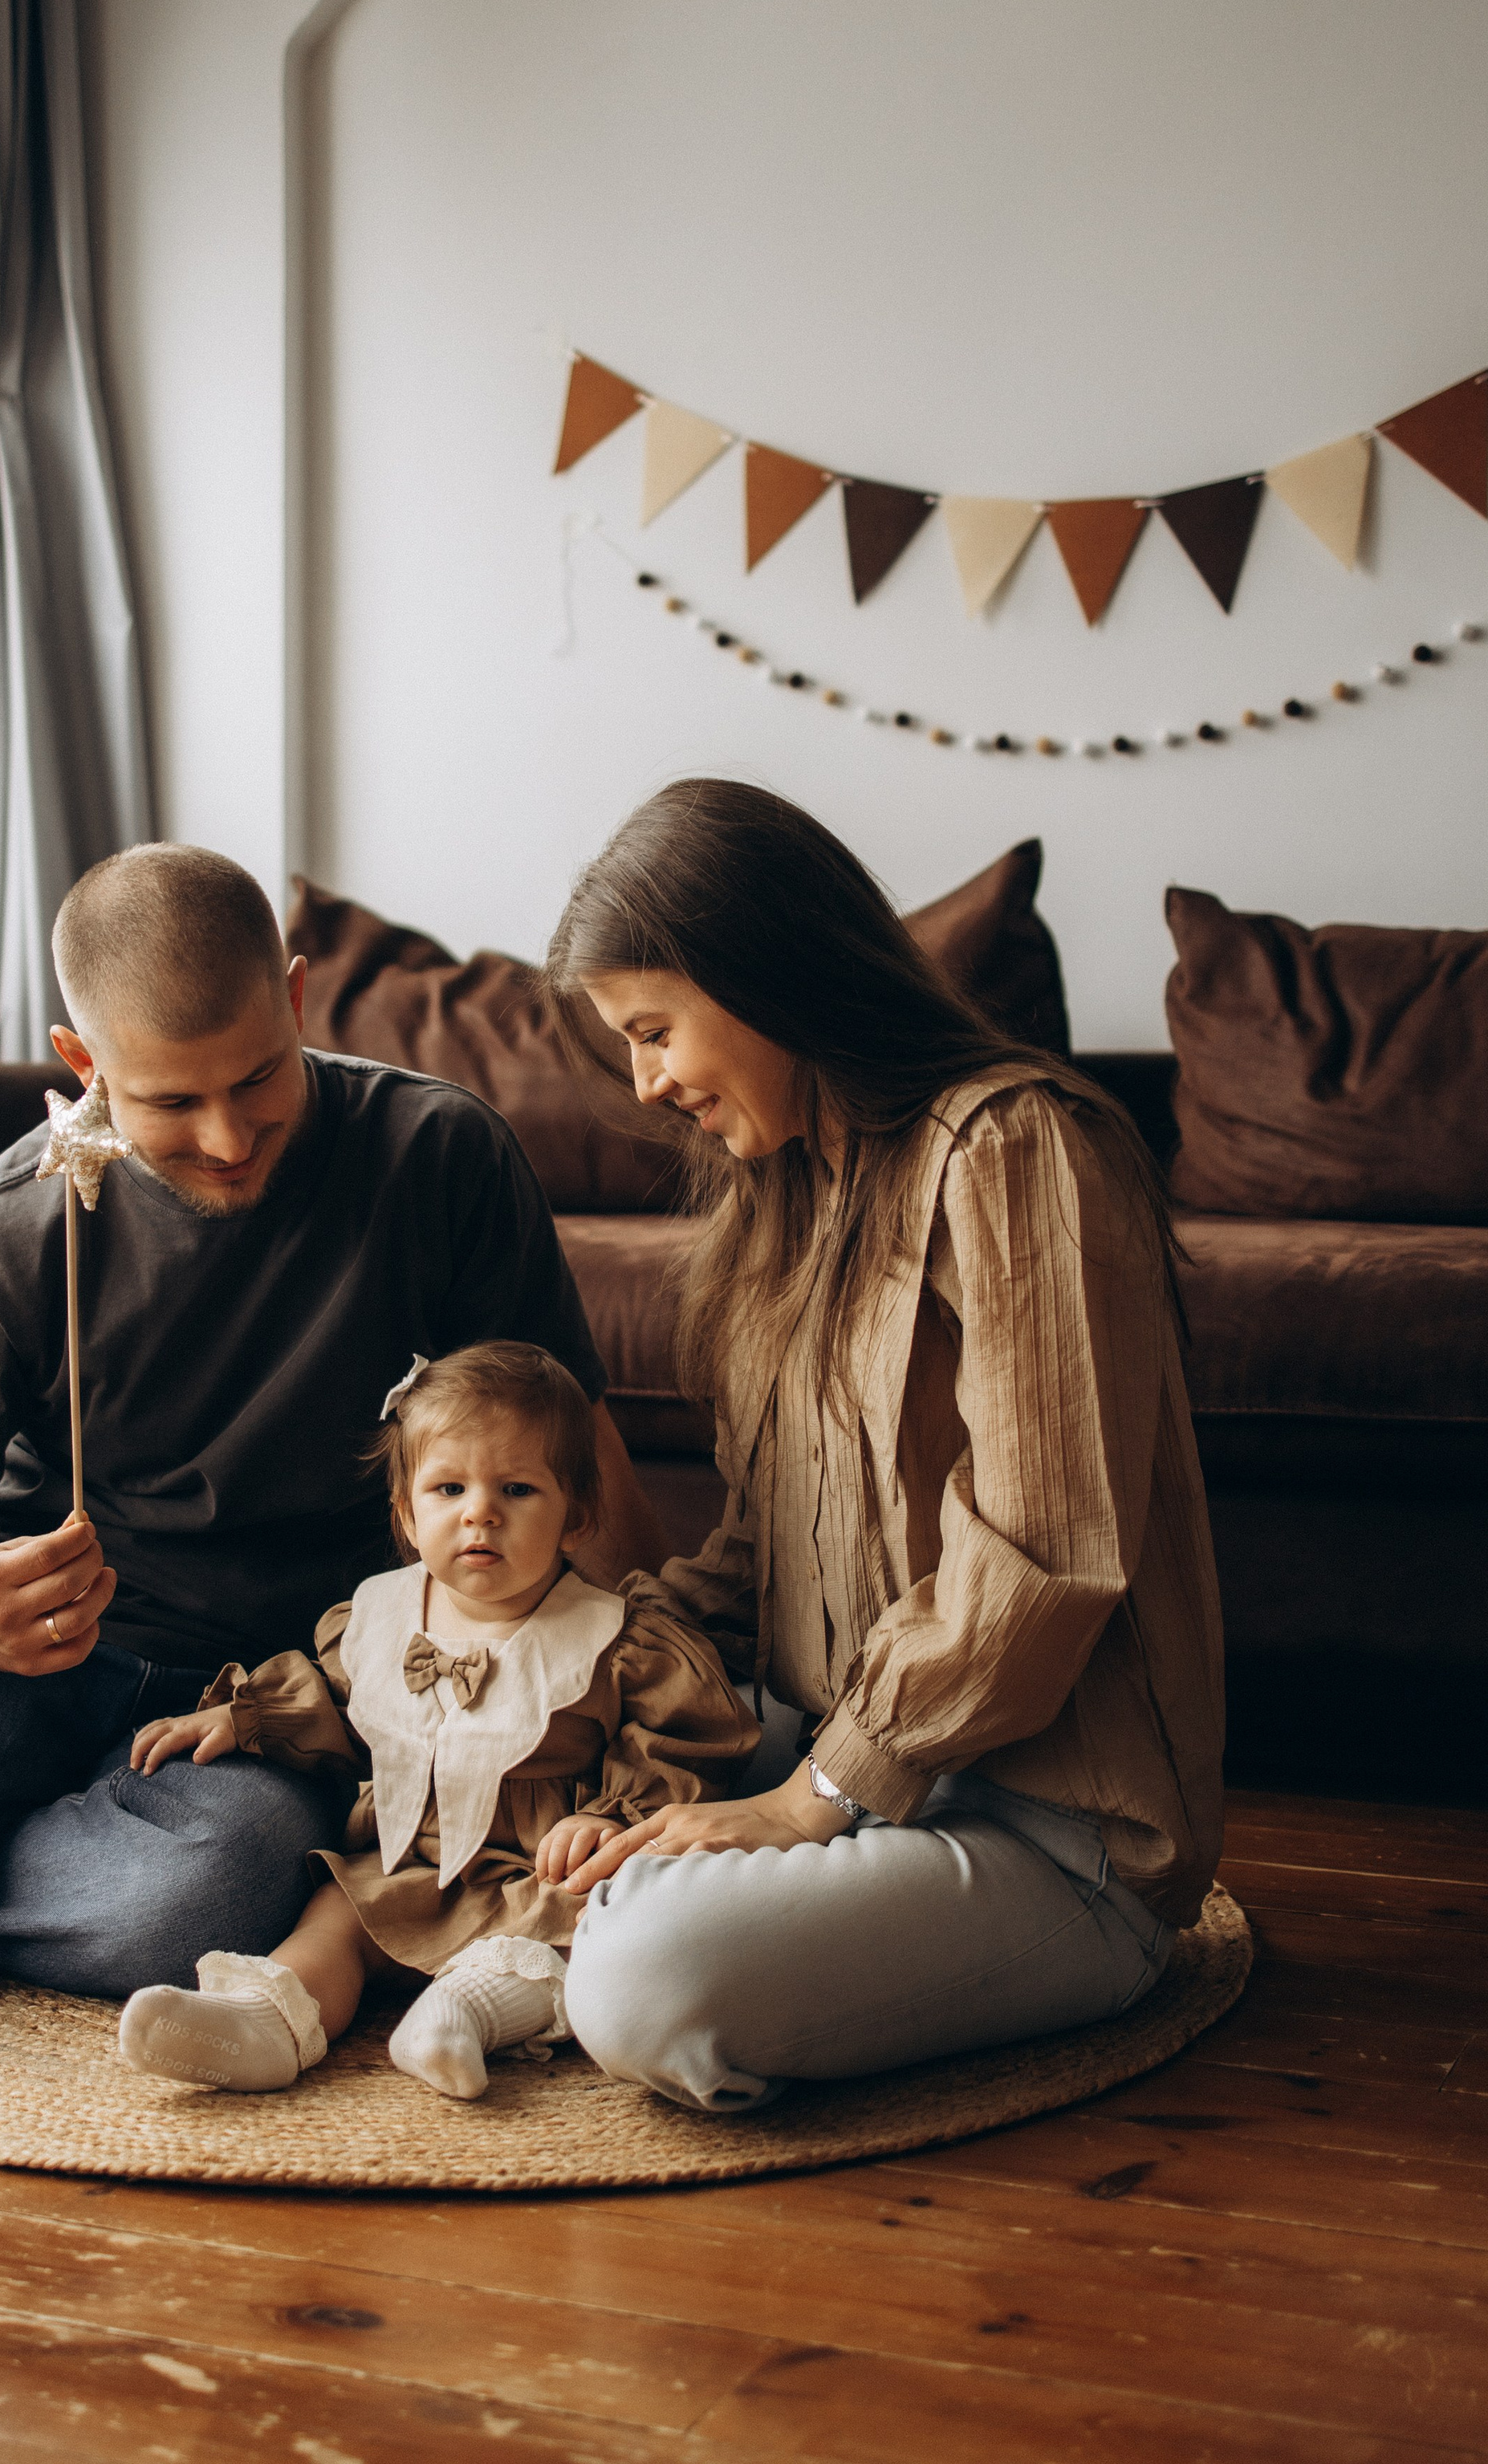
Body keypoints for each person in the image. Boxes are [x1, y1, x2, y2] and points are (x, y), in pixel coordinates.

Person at [0, 844, 667, 1995]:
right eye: (169, 1100)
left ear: (296, 997)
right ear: (81, 1059)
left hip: (264, 1699)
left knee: (205, 1908)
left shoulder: (440, 1155)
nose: (227, 1138)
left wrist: (664, 1666)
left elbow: (572, 1453)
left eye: (258, 1078)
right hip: (14, 1655)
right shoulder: (1, 1231)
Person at [535, 779, 1225, 2116]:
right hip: (838, 1754)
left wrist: (814, 1799)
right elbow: (757, 1548)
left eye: (656, 1029)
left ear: (766, 975)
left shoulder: (1018, 1151)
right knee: (513, 1827)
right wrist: (575, 1664)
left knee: (640, 1980)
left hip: (1049, 1831)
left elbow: (1046, 1554)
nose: (647, 1081)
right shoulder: (782, 1196)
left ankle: (572, 1957)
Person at [118, 1340, 757, 2098]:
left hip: (541, 1874)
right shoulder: (379, 1618)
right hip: (410, 1868)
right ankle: (265, 2022)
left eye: (517, 1489)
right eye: (449, 1487)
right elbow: (341, 1708)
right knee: (337, 1917)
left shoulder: (615, 1639)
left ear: (577, 1518)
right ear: (408, 1517)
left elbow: (677, 1745)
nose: (479, 1511)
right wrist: (247, 1715)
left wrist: (614, 1821)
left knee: (576, 1935)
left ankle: (462, 2016)